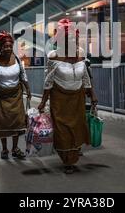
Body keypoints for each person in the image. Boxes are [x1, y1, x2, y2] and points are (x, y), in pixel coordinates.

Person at [37, 19, 98, 174]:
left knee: (77, 126)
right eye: (67, 38)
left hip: (78, 98)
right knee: (63, 129)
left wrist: (92, 95)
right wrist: (43, 102)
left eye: (74, 38)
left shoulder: (81, 54)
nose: (72, 40)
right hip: (59, 100)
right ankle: (67, 160)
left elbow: (85, 77)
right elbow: (48, 81)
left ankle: (74, 150)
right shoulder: (53, 56)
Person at [0, 31, 31, 160]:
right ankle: (4, 149)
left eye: (10, 46)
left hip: (16, 95)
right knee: (3, 123)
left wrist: (28, 88)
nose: (8, 48)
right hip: (0, 97)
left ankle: (15, 148)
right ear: (0, 47)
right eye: (5, 46)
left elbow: (23, 74)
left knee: (17, 122)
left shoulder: (16, 59)